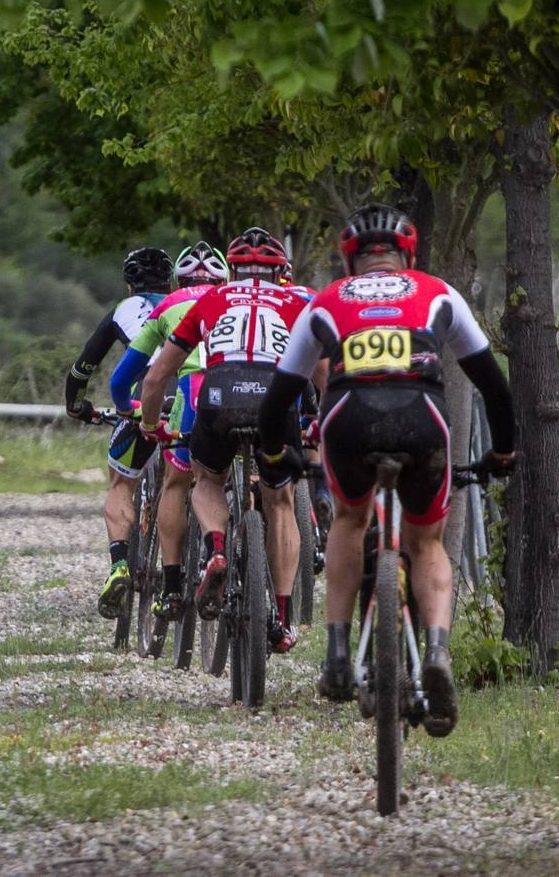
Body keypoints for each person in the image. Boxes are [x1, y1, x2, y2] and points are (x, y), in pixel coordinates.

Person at [255, 204, 516, 737]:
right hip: (423, 420)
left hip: (349, 419)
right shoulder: (436, 290)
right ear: (407, 255)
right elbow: (493, 384)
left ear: (350, 262)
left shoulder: (325, 301)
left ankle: (334, 653)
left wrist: (276, 454)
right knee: (427, 543)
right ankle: (438, 652)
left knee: (350, 521)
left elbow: (279, 396)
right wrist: (504, 452)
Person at [139, 227, 311, 653]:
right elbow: (320, 373)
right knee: (281, 500)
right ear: (280, 271)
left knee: (208, 479)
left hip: (219, 396)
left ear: (232, 269)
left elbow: (158, 374)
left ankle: (216, 547)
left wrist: (148, 425)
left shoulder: (211, 300)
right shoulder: (297, 304)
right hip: (276, 401)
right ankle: (284, 618)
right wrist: (318, 419)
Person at [103, 242, 229, 621]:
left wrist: (139, 418)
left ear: (179, 280)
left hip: (191, 395)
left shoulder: (169, 306)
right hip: (251, 392)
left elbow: (125, 379)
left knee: (176, 484)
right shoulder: (240, 300)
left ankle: (172, 588)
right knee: (249, 482)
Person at [66, 247, 173, 619]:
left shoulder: (122, 311)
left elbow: (83, 367)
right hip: (193, 400)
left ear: (130, 285)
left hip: (145, 404)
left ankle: (119, 566)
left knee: (121, 485)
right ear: (170, 281)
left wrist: (75, 404)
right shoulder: (188, 305)